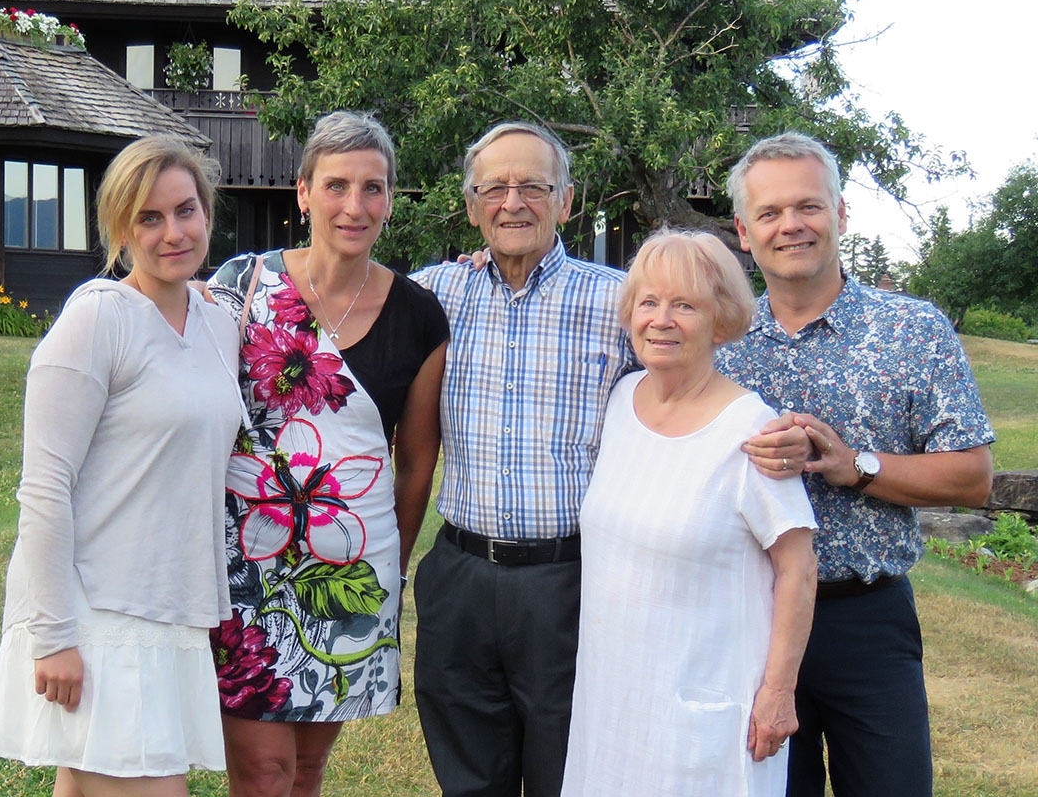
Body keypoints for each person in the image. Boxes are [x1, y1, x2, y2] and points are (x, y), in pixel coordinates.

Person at [409, 122, 808, 797]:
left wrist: (790, 433)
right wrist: (227, 291)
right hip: (460, 577)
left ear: (565, 202)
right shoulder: (434, 296)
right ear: (472, 206)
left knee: (575, 767)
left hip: (568, 583)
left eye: (533, 186)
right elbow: (344, 306)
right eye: (495, 189)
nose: (513, 202)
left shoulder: (618, 300)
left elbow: (706, 368)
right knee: (468, 770)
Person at [715, 131, 995, 797]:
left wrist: (856, 465)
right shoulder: (720, 343)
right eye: (770, 213)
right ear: (745, 233)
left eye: (808, 206)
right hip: (752, 619)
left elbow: (973, 475)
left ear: (840, 215)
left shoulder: (913, 329)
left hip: (865, 620)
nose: (791, 225)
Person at [0, 136, 244, 796]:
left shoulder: (220, 318)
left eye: (186, 210)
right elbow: (44, 488)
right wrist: (55, 635)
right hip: (98, 615)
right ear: (120, 230)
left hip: (171, 607)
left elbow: (319, 284)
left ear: (207, 212)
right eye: (148, 218)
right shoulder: (97, 320)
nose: (173, 232)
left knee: (86, 781)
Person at [204, 111, 448, 797]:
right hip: (244, 564)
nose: (354, 205)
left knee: (307, 769)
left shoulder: (419, 312)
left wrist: (390, 568)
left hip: (351, 566)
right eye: (336, 185)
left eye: (373, 188)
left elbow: (416, 461)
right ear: (304, 192)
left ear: (391, 200)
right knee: (262, 769)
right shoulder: (242, 284)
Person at [560, 228, 818, 796]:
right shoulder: (622, 400)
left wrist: (779, 693)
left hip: (706, 708)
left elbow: (798, 568)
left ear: (720, 318)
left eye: (685, 305)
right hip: (613, 698)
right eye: (648, 302)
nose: (661, 319)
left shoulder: (750, 430)